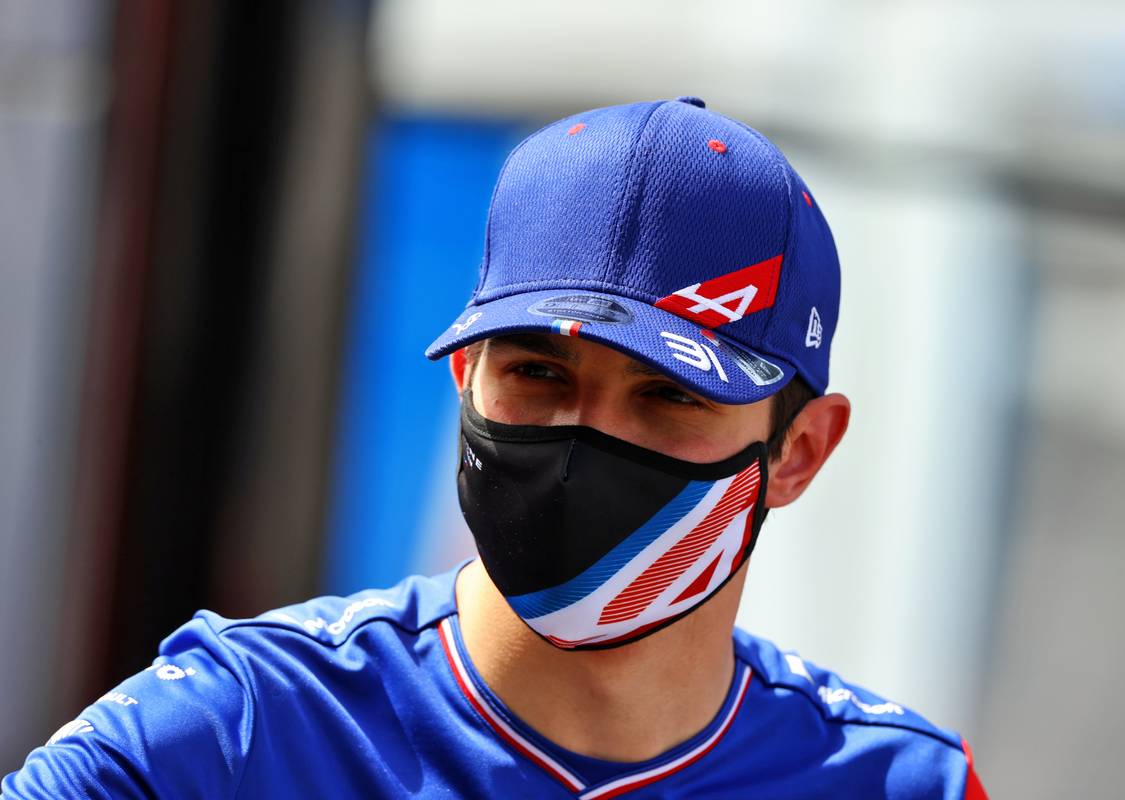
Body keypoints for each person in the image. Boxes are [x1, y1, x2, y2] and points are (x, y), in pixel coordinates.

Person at [3, 96, 987, 799]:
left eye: (666, 395)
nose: (580, 443)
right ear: (462, 377)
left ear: (801, 449)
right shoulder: (238, 730)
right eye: (540, 375)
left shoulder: (902, 783)